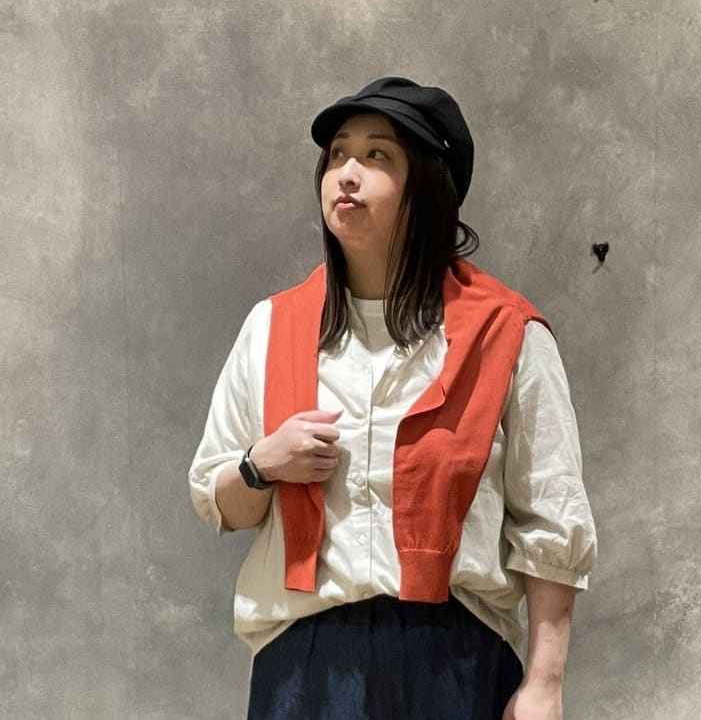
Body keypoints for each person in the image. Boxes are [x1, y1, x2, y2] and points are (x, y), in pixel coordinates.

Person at [189, 76, 597, 720]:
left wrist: (545, 683)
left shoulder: (506, 333)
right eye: (337, 155)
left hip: (454, 660)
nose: (347, 173)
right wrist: (261, 463)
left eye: (377, 154)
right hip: (304, 664)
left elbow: (551, 515)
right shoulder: (273, 327)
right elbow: (221, 505)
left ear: (426, 185)